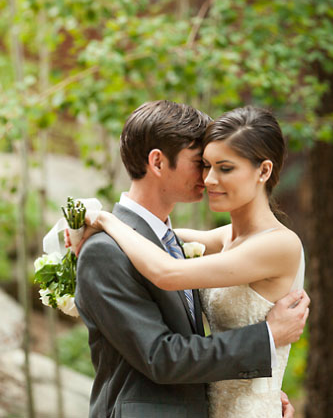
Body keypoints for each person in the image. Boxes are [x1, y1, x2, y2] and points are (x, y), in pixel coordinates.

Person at [75, 101, 309, 418]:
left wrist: (262, 392)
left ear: (263, 171)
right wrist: (264, 343)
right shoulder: (114, 248)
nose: (208, 178)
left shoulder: (273, 243)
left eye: (221, 167)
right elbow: (161, 355)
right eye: (202, 164)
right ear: (157, 162)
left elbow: (166, 267)